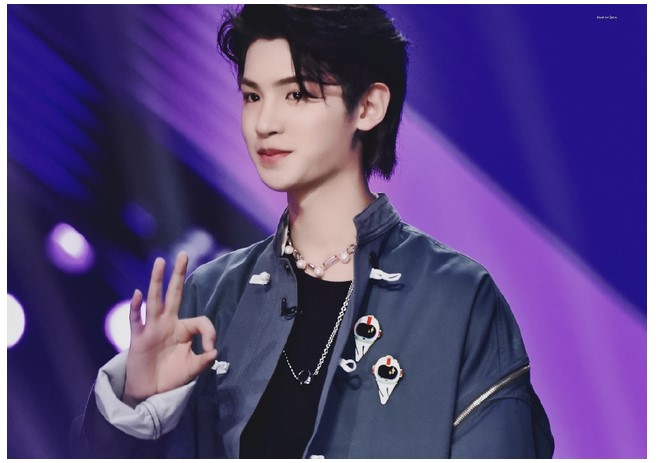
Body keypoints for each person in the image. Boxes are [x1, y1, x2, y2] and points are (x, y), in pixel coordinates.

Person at [72, 4, 554, 458]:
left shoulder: (458, 299)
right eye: (252, 96)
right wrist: (136, 405)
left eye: (297, 94)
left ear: (368, 106)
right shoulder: (212, 296)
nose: (264, 122)